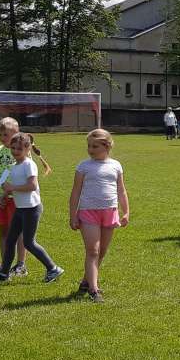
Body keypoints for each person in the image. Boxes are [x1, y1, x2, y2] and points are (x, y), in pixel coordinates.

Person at [0, 133, 64, 283]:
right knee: (10, 240)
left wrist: (12, 187)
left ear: (28, 149)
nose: (15, 151)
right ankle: (3, 273)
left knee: (29, 242)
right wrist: (3, 195)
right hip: (20, 208)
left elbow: (32, 185)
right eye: (13, 148)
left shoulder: (29, 164)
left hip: (31, 209)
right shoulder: (14, 166)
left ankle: (53, 269)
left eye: (19, 149)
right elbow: (9, 187)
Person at [68, 129, 130, 303]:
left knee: (101, 251)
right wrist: (73, 215)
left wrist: (126, 211)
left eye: (95, 146)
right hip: (88, 212)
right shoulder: (83, 166)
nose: (91, 149)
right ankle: (94, 290)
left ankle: (86, 282)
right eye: (89, 146)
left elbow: (121, 190)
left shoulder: (116, 165)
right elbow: (75, 193)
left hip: (110, 211)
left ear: (107, 146)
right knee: (93, 251)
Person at [0, 117, 28, 276]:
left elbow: (27, 176)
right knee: (4, 231)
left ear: (16, 133)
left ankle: (20, 264)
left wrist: (9, 192)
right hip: (1, 200)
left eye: (7, 135)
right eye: (0, 135)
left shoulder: (23, 152)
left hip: (17, 199)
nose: (3, 138)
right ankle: (5, 266)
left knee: (18, 232)